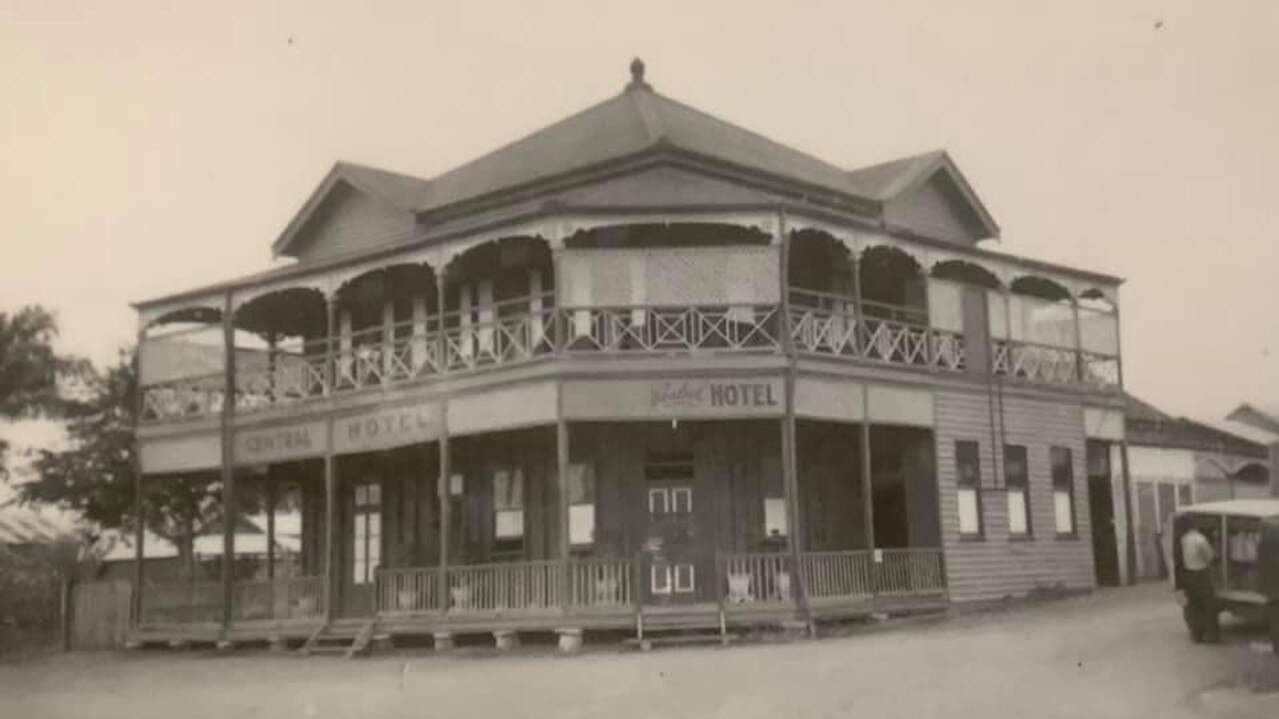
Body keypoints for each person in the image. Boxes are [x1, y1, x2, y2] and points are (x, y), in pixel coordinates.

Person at [1180, 524, 1220, 643]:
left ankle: (1196, 633)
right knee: (1209, 605)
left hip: (1188, 574)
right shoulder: (1200, 539)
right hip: (1201, 573)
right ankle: (1211, 635)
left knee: (1193, 604)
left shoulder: (1184, 539)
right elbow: (1210, 556)